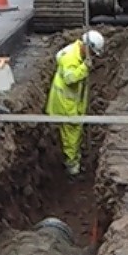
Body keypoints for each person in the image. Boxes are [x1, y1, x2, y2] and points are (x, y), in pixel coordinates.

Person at [46, 29, 105, 175]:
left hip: (72, 102)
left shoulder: (77, 52)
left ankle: (75, 161)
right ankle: (72, 168)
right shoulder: (71, 58)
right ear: (86, 46)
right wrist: (85, 68)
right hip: (66, 104)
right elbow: (70, 78)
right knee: (71, 137)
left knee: (75, 134)